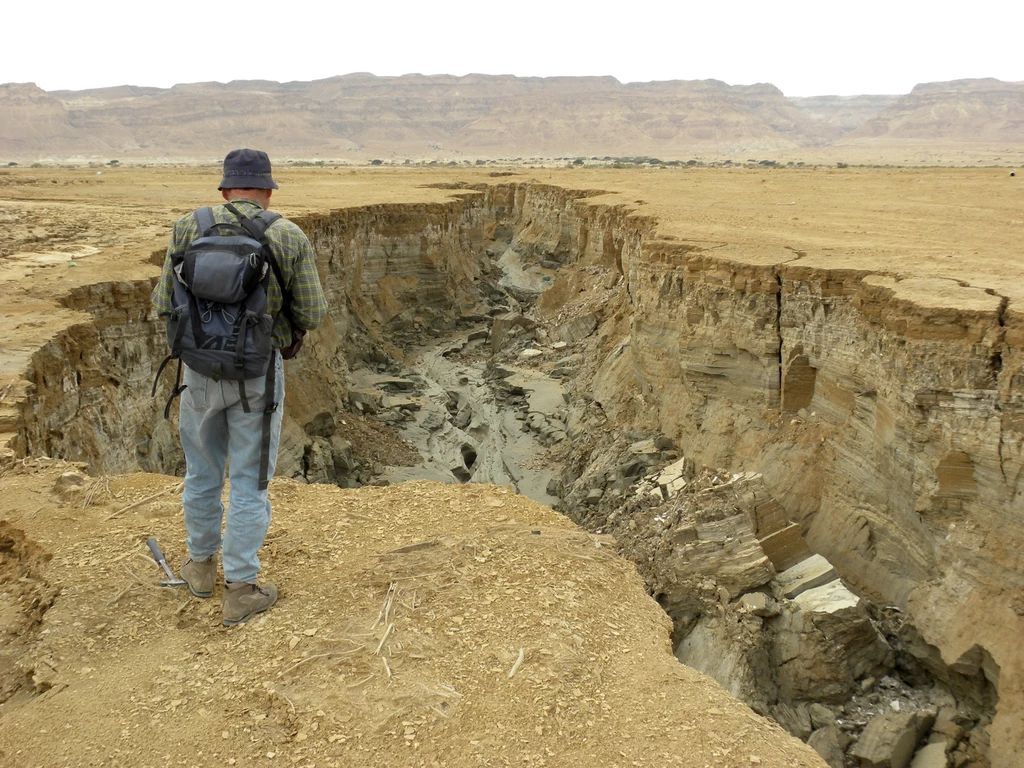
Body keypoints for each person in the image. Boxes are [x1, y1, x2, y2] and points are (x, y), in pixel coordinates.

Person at [152, 148, 328, 625]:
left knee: (201, 471)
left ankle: (200, 569)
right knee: (249, 481)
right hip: (257, 376)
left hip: (198, 374)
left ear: (225, 189)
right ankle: (242, 588)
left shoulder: (188, 228)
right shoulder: (285, 234)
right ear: (268, 190)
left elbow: (162, 302)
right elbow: (312, 312)